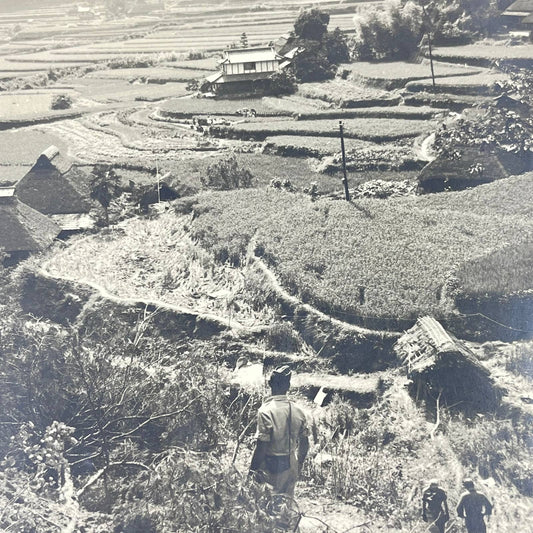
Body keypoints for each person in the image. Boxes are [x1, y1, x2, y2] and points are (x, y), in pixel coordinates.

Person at [249, 365, 309, 498]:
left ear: (270, 384)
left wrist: (251, 471)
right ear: (287, 386)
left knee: (268, 508)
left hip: (271, 467)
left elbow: (261, 446)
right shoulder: (299, 411)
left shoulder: (266, 411)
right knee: (286, 507)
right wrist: (298, 464)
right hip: (291, 463)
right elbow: (305, 443)